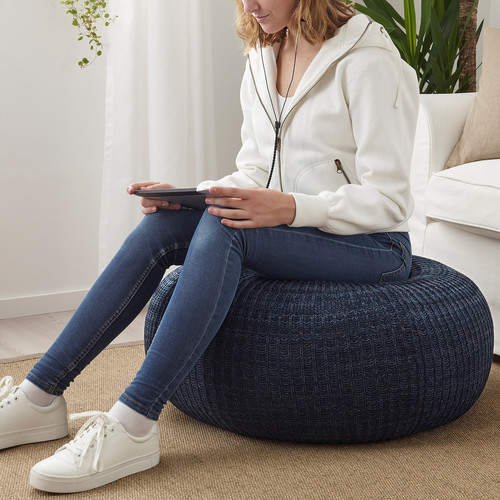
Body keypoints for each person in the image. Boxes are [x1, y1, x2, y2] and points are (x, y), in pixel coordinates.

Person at [0, 0, 419, 493]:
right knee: (164, 228)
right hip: (297, 229)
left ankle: (135, 422)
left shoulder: (370, 61)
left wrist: (288, 209)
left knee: (228, 229)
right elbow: (254, 172)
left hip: (373, 245)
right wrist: (195, 195)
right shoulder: (263, 54)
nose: (250, 5)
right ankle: (40, 395)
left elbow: (390, 201)